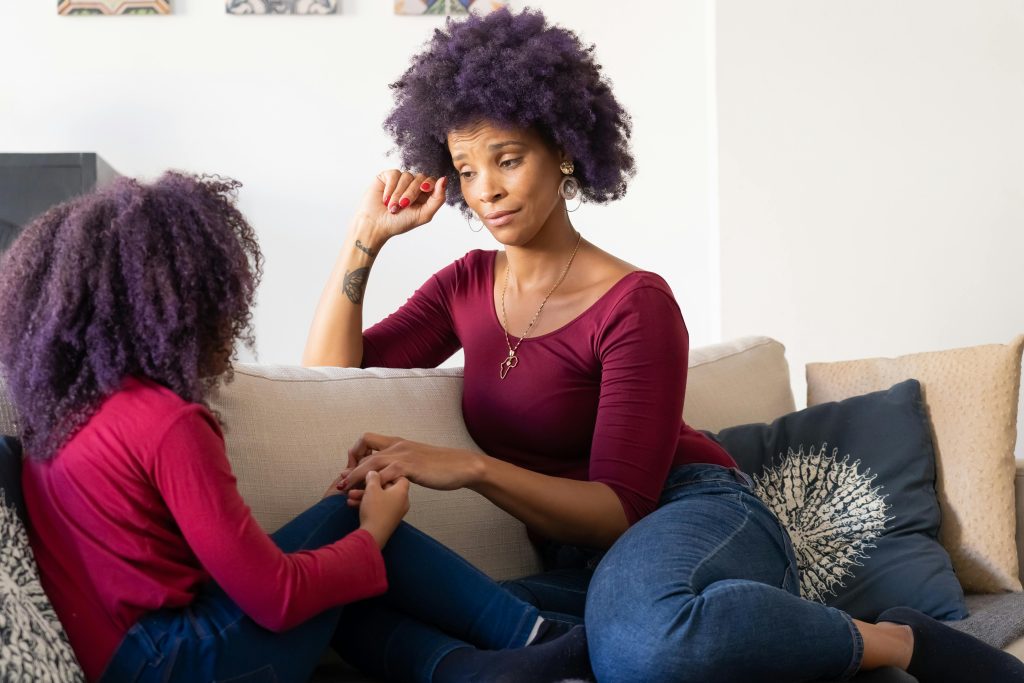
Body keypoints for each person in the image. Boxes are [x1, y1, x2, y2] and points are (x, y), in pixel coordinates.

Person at [304, 8, 1024, 682]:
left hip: (691, 513)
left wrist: (469, 467)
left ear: (563, 151)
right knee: (346, 596)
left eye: (507, 159)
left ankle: (900, 638)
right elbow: (328, 376)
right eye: (466, 168)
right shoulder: (465, 284)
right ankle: (563, 648)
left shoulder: (634, 302)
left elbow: (620, 506)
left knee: (646, 642)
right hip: (586, 564)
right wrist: (365, 237)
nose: (485, 189)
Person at [0, 172, 592, 683]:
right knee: (347, 533)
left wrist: (345, 547)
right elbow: (278, 598)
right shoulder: (167, 423)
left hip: (128, 657)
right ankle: (539, 639)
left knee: (339, 563)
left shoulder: (68, 410)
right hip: (176, 663)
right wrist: (373, 533)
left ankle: (478, 669)